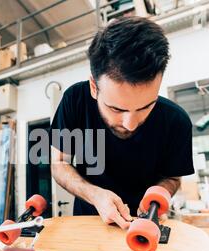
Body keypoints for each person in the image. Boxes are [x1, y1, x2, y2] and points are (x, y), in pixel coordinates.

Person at [50, 16, 194, 229]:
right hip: (89, 222)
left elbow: (173, 177)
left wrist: (159, 194)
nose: (131, 124)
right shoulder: (74, 100)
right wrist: (95, 195)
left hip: (146, 226)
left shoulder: (177, 120)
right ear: (93, 86)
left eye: (146, 107)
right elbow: (58, 163)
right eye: (116, 109)